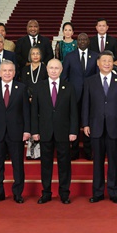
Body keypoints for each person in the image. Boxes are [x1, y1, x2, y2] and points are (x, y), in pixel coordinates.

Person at [82, 51, 117, 204]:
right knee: (97, 162)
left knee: (114, 162)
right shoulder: (90, 81)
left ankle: (114, 192)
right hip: (95, 127)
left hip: (115, 127)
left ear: (113, 63)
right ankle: (97, 193)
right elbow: (86, 105)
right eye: (104, 61)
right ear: (98, 63)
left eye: (110, 61)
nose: (107, 63)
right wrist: (85, 124)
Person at [31, 59, 78, 204]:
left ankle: (64, 193)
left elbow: (73, 112)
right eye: (51, 67)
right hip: (44, 131)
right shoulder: (39, 87)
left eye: (56, 68)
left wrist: (73, 131)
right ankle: (46, 193)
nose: (53, 70)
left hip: (63, 132)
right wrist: (35, 131)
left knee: (64, 164)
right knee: (46, 164)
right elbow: (34, 111)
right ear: (47, 69)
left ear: (61, 70)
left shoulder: (69, 87)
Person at [0, 60, 31, 203]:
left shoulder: (21, 88)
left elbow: (26, 111)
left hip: (16, 132)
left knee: (17, 164)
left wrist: (27, 130)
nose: (7, 73)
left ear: (14, 72)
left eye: (10, 70)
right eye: (4, 70)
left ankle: (17, 193)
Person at [62, 33, 98, 160]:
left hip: (91, 96)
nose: (82, 41)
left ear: (88, 41)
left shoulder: (95, 56)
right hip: (74, 96)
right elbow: (64, 77)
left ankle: (88, 151)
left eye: (85, 39)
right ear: (77, 42)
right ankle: (75, 150)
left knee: (89, 123)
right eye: (80, 39)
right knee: (74, 123)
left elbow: (98, 78)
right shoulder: (69, 56)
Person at [22, 46, 48, 159]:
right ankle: (30, 152)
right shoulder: (25, 69)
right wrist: (28, 96)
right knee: (31, 123)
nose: (35, 55)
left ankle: (40, 152)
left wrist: (38, 97)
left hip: (42, 101)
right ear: (30, 56)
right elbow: (23, 85)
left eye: (38, 53)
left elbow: (47, 85)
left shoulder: (45, 68)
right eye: (33, 53)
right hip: (28, 101)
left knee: (41, 124)